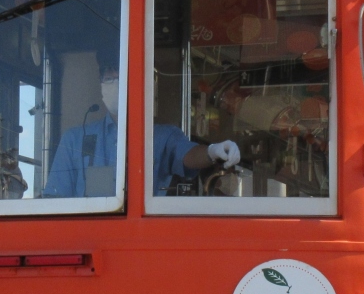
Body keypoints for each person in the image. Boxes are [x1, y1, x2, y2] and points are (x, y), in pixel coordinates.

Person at [43, 64, 240, 198]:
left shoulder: (162, 136)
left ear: (136, 85)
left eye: (121, 78)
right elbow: (55, 199)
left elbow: (188, 154)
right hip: (89, 237)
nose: (115, 85)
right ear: (101, 85)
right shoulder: (75, 139)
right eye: (109, 79)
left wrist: (213, 151)